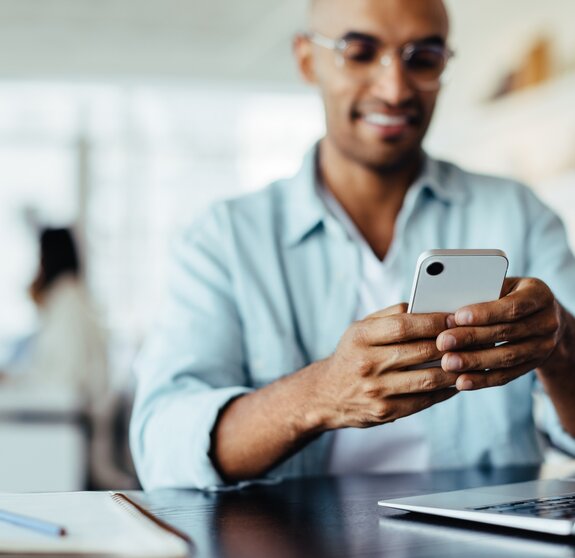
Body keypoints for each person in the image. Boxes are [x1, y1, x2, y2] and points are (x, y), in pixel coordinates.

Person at [130, 0, 575, 490]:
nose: (395, 88)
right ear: (307, 59)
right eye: (360, 53)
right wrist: (321, 394)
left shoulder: (519, 215)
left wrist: (562, 346)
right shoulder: (225, 237)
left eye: (422, 59)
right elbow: (164, 447)